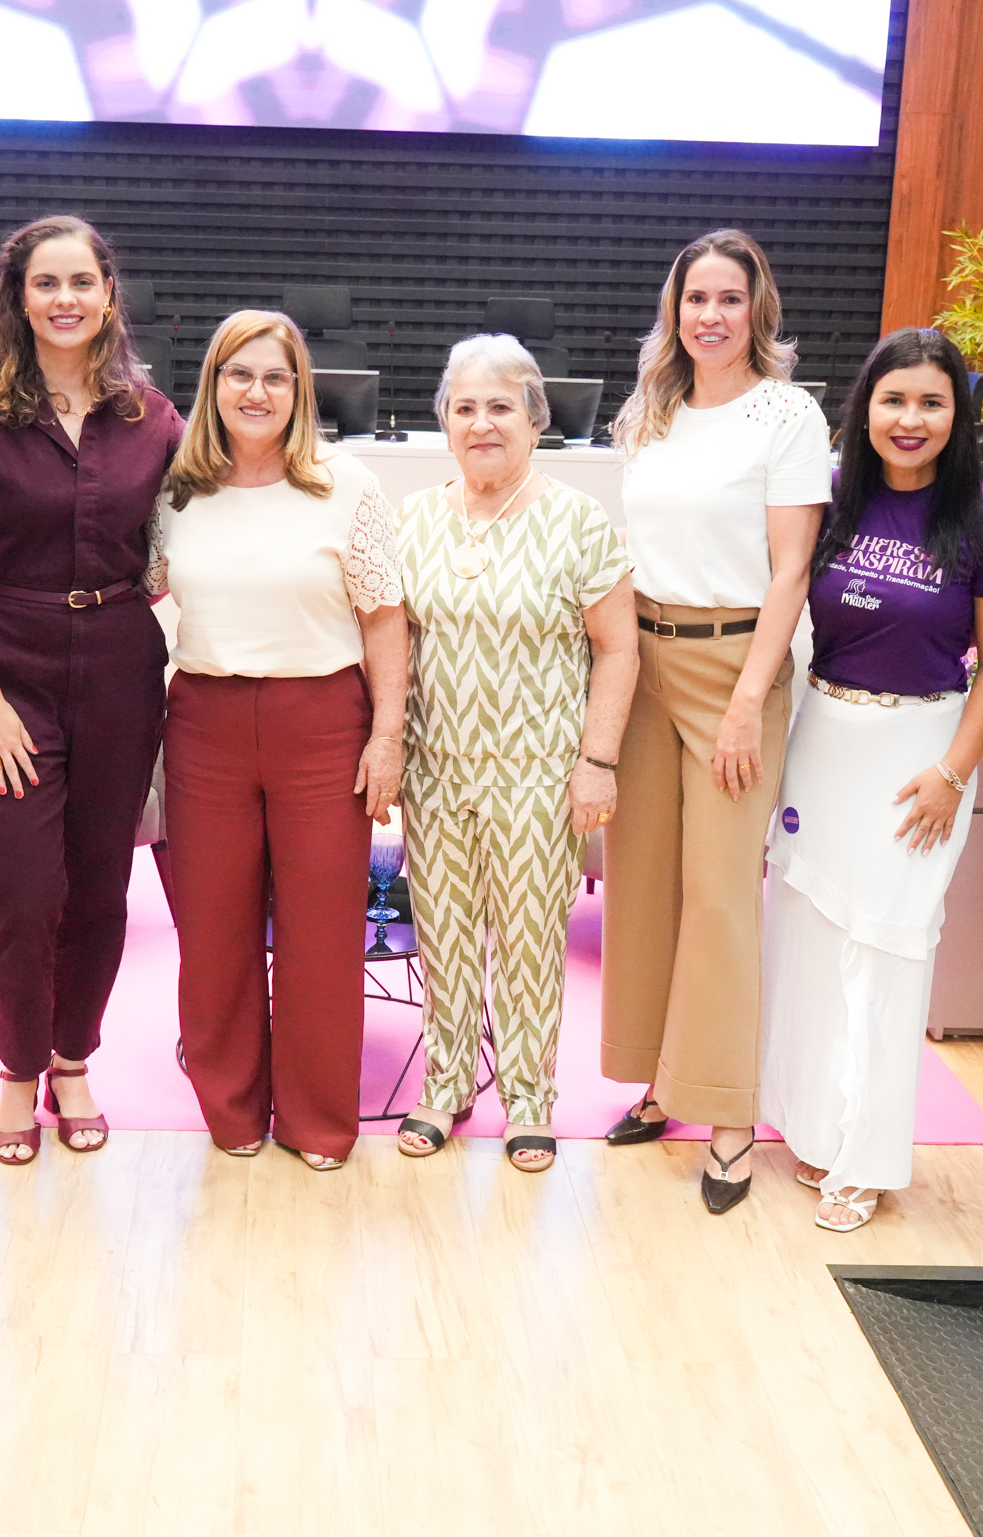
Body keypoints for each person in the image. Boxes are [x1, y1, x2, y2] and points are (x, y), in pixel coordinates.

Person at [0, 215, 183, 1165]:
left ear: (108, 296)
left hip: (120, 660)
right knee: (21, 887)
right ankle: (17, 1070)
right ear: (18, 298)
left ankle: (73, 1060)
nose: (65, 299)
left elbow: (185, 534)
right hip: (13, 661)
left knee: (102, 884)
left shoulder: (153, 417)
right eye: (46, 283)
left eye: (81, 282)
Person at [757, 328, 983, 1232]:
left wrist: (954, 772)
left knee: (889, 950)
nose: (911, 419)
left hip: (921, 755)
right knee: (804, 935)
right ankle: (811, 1126)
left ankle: (865, 1158)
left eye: (932, 402)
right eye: (894, 399)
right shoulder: (831, 496)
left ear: (958, 414)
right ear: (864, 408)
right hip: (823, 734)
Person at [599, 229, 831, 1213]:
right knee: (643, 883)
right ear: (675, 309)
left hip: (736, 666)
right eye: (695, 298)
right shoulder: (651, 409)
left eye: (729, 298)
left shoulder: (786, 414)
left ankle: (729, 1117)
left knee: (722, 893)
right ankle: (662, 1081)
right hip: (643, 660)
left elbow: (792, 568)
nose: (710, 315)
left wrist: (746, 700)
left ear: (756, 310)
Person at [149, 310, 407, 1171]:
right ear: (213, 385)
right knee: (213, 930)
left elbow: (385, 617)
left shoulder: (346, 484)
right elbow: (134, 589)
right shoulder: (177, 490)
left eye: (274, 376)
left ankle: (317, 1119)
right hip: (206, 724)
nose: (255, 391)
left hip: (322, 723)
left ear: (300, 390)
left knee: (321, 933)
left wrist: (387, 735)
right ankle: (230, 1109)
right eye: (238, 374)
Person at [395, 335, 636, 1172]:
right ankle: (446, 1083)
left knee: (531, 945)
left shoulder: (578, 520)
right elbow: (393, 642)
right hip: (436, 767)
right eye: (464, 408)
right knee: (445, 936)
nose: (481, 423)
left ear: (536, 419)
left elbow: (618, 648)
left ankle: (529, 1098)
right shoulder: (415, 519)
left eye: (500, 407)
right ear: (445, 423)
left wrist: (597, 761)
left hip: (541, 772)